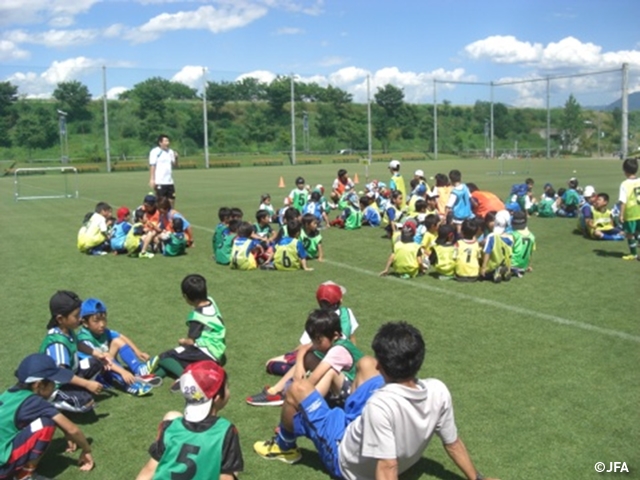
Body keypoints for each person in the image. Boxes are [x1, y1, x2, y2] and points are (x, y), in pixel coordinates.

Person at [253, 321, 497, 480]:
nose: (378, 363)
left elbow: (388, 468)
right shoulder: (439, 389)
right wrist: (477, 478)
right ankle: (342, 409)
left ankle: (284, 447)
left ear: (387, 366)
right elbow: (452, 443)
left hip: (343, 455)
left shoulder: (381, 405)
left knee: (298, 388)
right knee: (364, 364)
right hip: (373, 425)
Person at [248, 282, 359, 406]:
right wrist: (300, 364)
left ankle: (300, 404)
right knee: (309, 357)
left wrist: (295, 390)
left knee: (326, 373)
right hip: (345, 379)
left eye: (318, 340)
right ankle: (277, 392)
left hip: (353, 396)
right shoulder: (338, 321)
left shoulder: (332, 343)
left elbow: (311, 380)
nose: (315, 344)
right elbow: (306, 348)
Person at [136, 361, 243, 480]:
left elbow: (149, 470)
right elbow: (226, 478)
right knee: (232, 470)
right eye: (227, 387)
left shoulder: (170, 427)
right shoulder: (226, 430)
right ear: (217, 397)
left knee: (171, 415)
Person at [0, 354, 95, 479]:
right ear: (38, 385)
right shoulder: (35, 402)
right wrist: (86, 450)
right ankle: (25, 475)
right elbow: (73, 429)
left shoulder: (9, 393)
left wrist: (65, 431)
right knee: (47, 423)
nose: (55, 386)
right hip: (3, 468)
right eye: (52, 382)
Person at [39, 291, 107, 413]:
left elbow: (77, 343)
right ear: (60, 319)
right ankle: (51, 401)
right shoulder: (57, 344)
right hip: (56, 385)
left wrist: (96, 353)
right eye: (76, 316)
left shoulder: (67, 330)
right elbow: (62, 373)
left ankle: (77, 389)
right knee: (86, 403)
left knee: (96, 362)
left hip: (71, 373)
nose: (80, 319)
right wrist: (86, 384)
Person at [77, 298, 159, 396]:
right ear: (85, 323)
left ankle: (139, 369)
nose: (102, 324)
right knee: (105, 357)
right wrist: (123, 371)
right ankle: (129, 385)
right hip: (97, 375)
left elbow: (121, 337)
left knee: (116, 341)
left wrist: (138, 352)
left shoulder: (102, 331)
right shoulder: (84, 339)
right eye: (96, 321)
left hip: (107, 365)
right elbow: (102, 360)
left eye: (104, 319)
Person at [153, 274, 226, 383]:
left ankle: (185, 378)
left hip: (205, 352)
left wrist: (182, 341)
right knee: (177, 360)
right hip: (218, 349)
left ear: (186, 296)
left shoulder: (196, 317)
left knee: (165, 356)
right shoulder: (211, 301)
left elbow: (190, 342)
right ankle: (154, 377)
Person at [480, 211, 513, 283]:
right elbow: (510, 254)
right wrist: (509, 267)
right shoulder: (510, 237)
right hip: (505, 262)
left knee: (483, 275)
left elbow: (487, 252)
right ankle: (505, 270)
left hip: (494, 263)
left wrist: (483, 267)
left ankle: (495, 271)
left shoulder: (491, 236)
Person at [619, 158, 640, 260]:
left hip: (631, 212)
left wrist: (621, 214)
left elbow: (623, 201)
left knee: (630, 234)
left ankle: (634, 254)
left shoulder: (625, 184)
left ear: (624, 170)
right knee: (638, 232)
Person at [148, 134, 177, 207]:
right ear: (160, 142)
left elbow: (175, 165)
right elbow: (152, 165)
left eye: (168, 141)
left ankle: (170, 216)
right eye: (166, 141)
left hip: (169, 181)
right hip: (160, 181)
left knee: (171, 200)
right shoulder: (155, 152)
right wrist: (152, 179)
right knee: (161, 202)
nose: (168, 143)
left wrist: (176, 158)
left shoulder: (170, 152)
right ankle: (159, 217)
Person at [510, 211, 536, 277]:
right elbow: (530, 253)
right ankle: (518, 270)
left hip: (512, 263)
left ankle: (510, 269)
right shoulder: (532, 236)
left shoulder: (513, 235)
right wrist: (528, 265)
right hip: (523, 265)